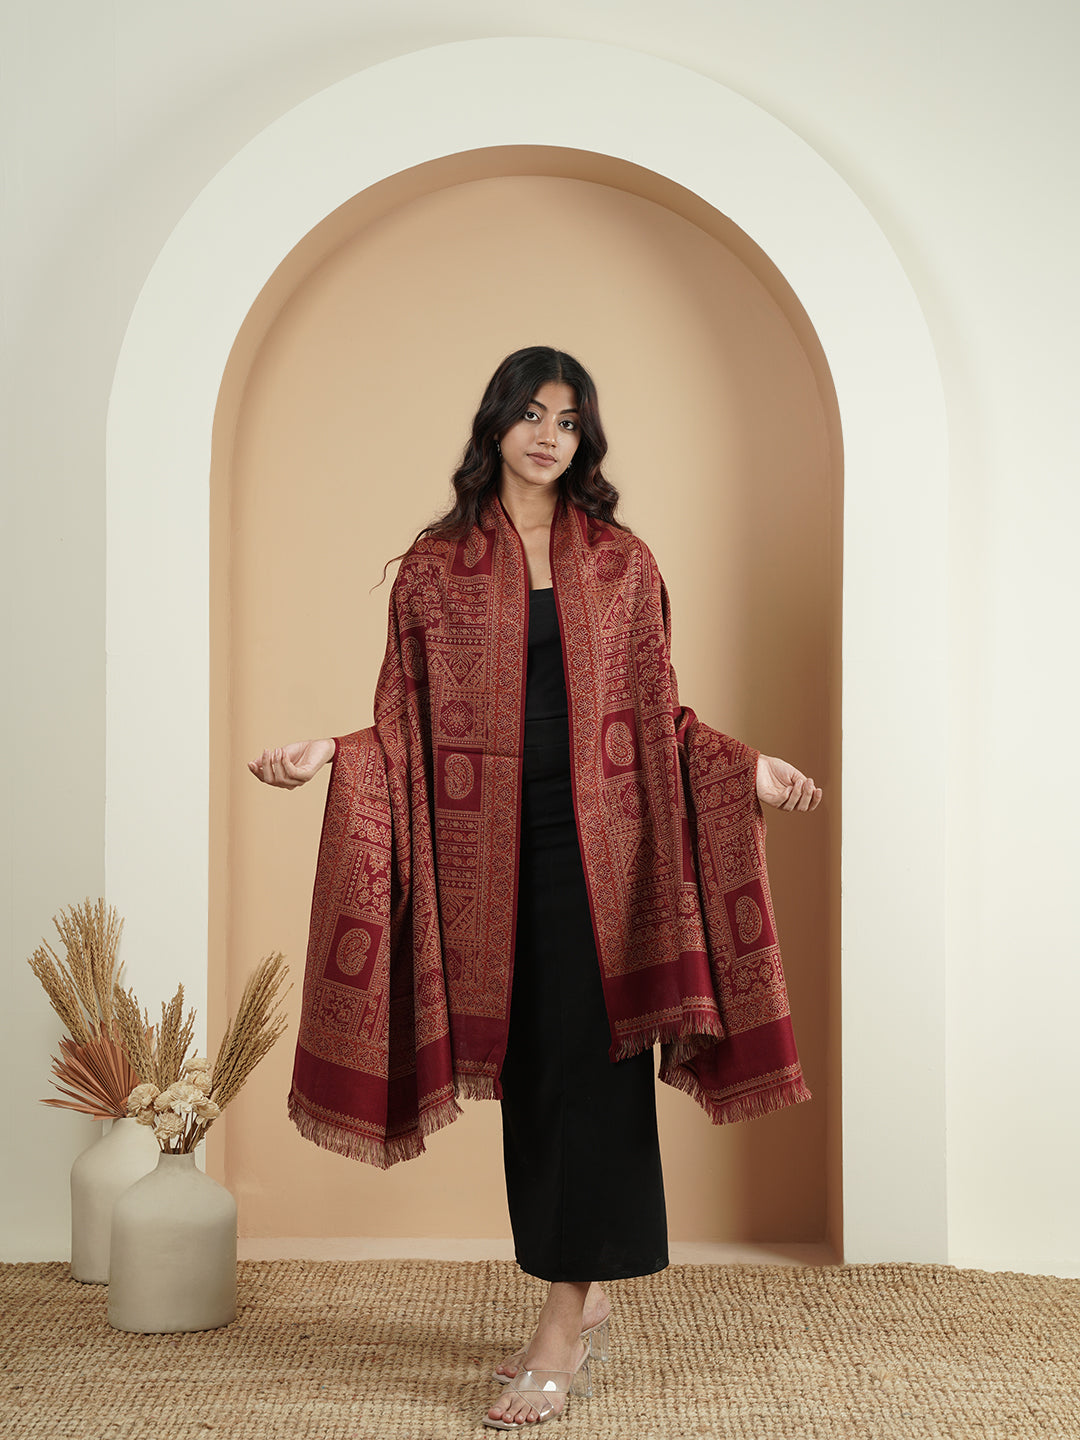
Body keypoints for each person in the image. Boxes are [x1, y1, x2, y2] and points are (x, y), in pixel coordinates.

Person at [249, 346, 821, 1429]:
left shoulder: (622, 564)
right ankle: (581, 1290)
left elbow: (658, 716)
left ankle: (563, 1322)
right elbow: (403, 723)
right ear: (496, 425)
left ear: (583, 438)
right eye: (531, 413)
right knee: (535, 1073)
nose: (548, 434)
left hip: (608, 856)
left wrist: (745, 769)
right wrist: (332, 756)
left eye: (567, 419)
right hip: (484, 855)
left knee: (595, 1072)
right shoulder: (435, 570)